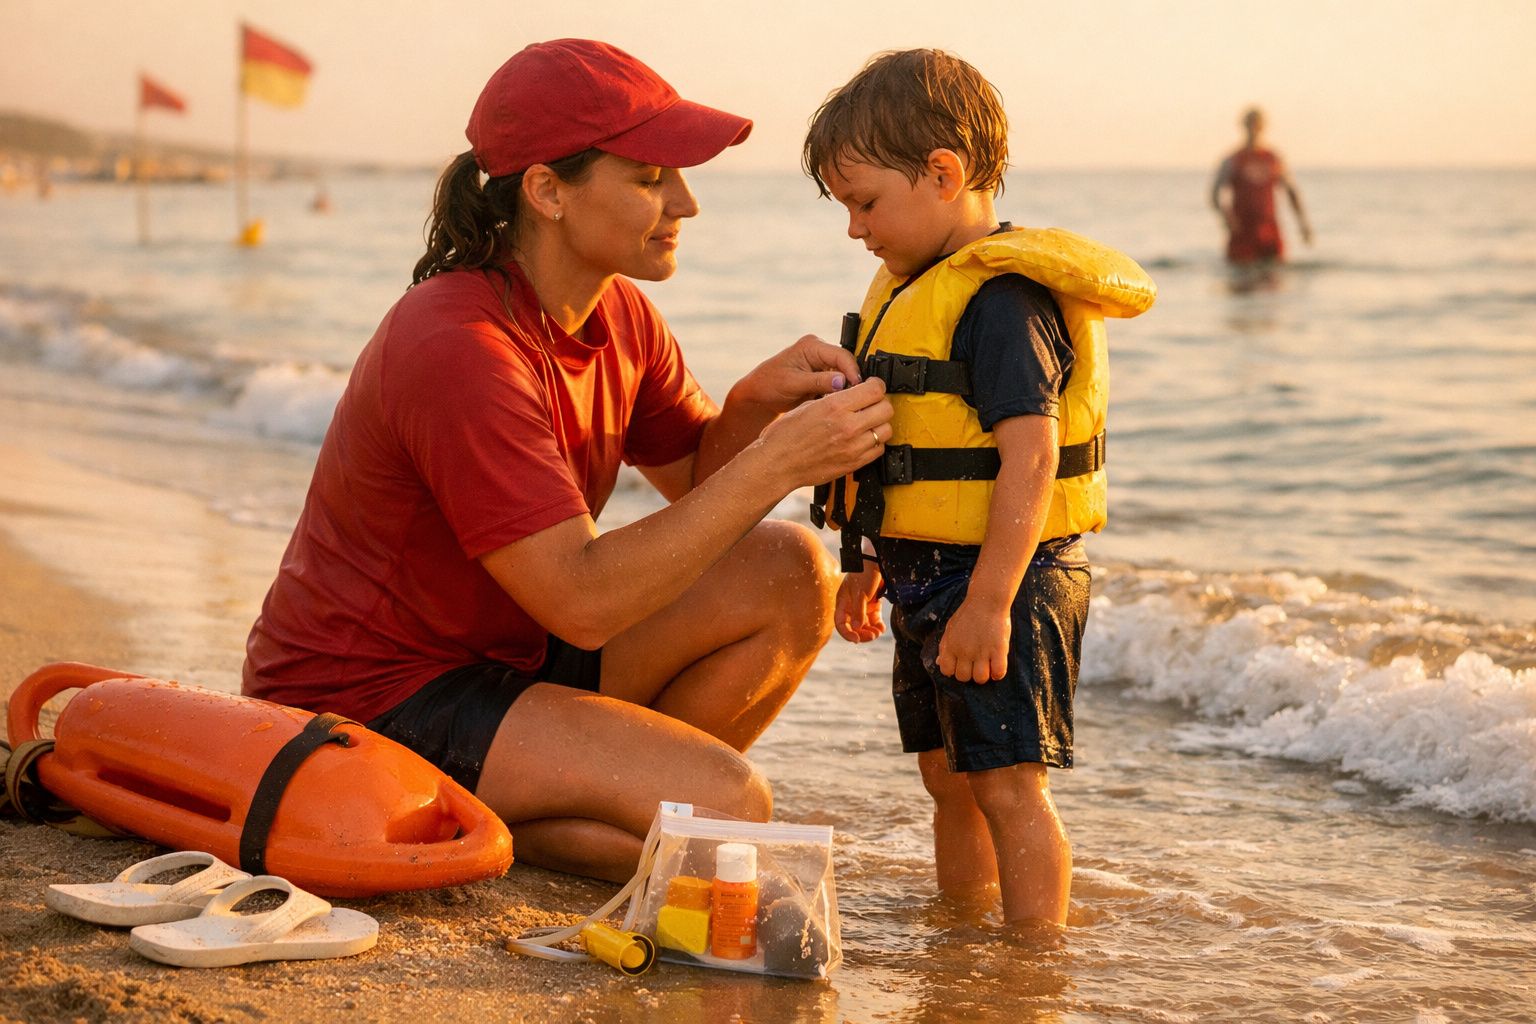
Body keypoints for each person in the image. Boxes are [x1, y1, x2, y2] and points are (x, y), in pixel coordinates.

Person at [242, 39, 893, 883]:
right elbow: (584, 603)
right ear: (547, 191)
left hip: (512, 653)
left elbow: (700, 492)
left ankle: (612, 803)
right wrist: (775, 463)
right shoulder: (457, 346)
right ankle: (563, 816)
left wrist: (750, 408)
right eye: (650, 178)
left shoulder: (618, 313)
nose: (687, 203)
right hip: (365, 701)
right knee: (728, 807)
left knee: (789, 570)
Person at [802, 49, 1155, 926]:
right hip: (925, 576)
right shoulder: (916, 289)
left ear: (943, 174)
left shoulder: (1002, 303)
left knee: (1007, 784)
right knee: (947, 776)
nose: (854, 230)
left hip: (1006, 580)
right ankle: (963, 933)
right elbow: (896, 452)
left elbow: (1031, 459)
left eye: (864, 203)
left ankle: (1034, 964)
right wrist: (866, 561)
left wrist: (991, 604)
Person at [1210, 106, 1312, 264]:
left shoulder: (1273, 159)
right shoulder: (1233, 160)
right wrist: (1227, 220)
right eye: (1250, 124)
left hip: (1269, 228)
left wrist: (1303, 224)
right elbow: (1215, 194)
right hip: (1242, 231)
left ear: (1263, 127)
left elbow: (1291, 192)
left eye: (1257, 124)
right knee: (1240, 274)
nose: (1253, 128)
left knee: (1276, 274)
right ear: (1243, 126)